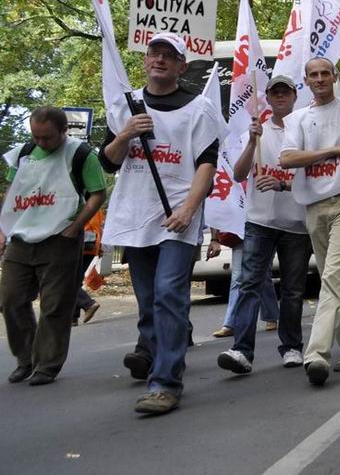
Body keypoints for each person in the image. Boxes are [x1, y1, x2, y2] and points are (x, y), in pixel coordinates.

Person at [100, 32, 222, 414]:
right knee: (149, 299)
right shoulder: (125, 106)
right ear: (145, 60)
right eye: (154, 53)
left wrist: (188, 209)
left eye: (169, 55)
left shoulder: (199, 109)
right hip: (135, 218)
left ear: (181, 66)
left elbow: (207, 164)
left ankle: (165, 383)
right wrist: (126, 133)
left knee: (169, 293)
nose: (160, 59)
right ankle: (155, 350)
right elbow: (108, 162)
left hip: (176, 219)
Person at [279, 57, 340, 386]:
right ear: (306, 80)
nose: (320, 79)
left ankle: (317, 354)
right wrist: (334, 150)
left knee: (332, 277)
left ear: (335, 77)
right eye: (313, 75)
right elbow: (287, 158)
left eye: (325, 73)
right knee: (335, 279)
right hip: (314, 207)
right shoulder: (298, 118)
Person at [215, 74, 314, 375]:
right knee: (249, 284)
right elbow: (238, 174)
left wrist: (283, 185)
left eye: (285, 92)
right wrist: (252, 142)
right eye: (275, 93)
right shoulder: (256, 131)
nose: (280, 97)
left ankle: (292, 346)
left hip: (296, 224)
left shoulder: (305, 132)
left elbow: (315, 177)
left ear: (295, 96)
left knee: (293, 290)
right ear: (268, 98)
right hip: (259, 221)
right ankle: (242, 350)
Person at [1, 106, 106, 386]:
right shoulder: (24, 154)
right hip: (21, 237)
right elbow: (12, 192)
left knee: (55, 304)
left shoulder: (81, 154)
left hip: (60, 239)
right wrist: (3, 227)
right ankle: (25, 358)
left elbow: (97, 194)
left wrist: (76, 226)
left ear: (63, 131)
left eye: (46, 137)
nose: (40, 142)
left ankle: (47, 364)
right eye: (35, 136)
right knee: (11, 299)